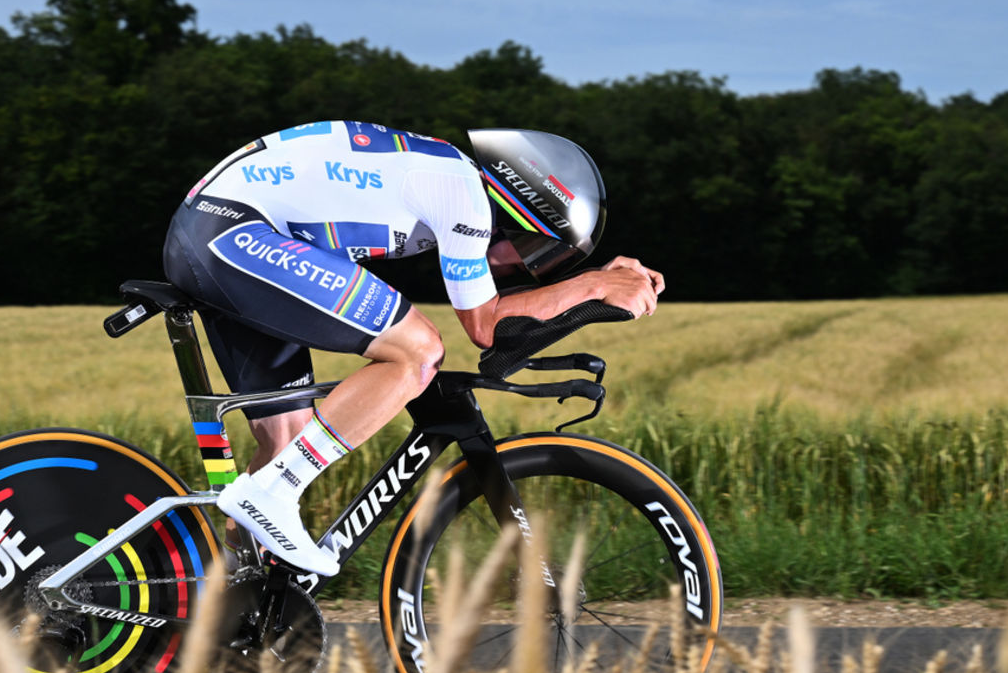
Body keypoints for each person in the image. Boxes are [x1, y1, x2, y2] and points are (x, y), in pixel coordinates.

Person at [162, 121, 663, 576]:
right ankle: (274, 493)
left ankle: (226, 593)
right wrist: (593, 285)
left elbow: (508, 314)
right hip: (234, 233)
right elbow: (486, 326)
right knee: (418, 351)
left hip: (221, 231)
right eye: (537, 248)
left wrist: (594, 282)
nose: (527, 266)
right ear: (518, 208)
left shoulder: (448, 174)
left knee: (284, 440)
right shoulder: (464, 197)